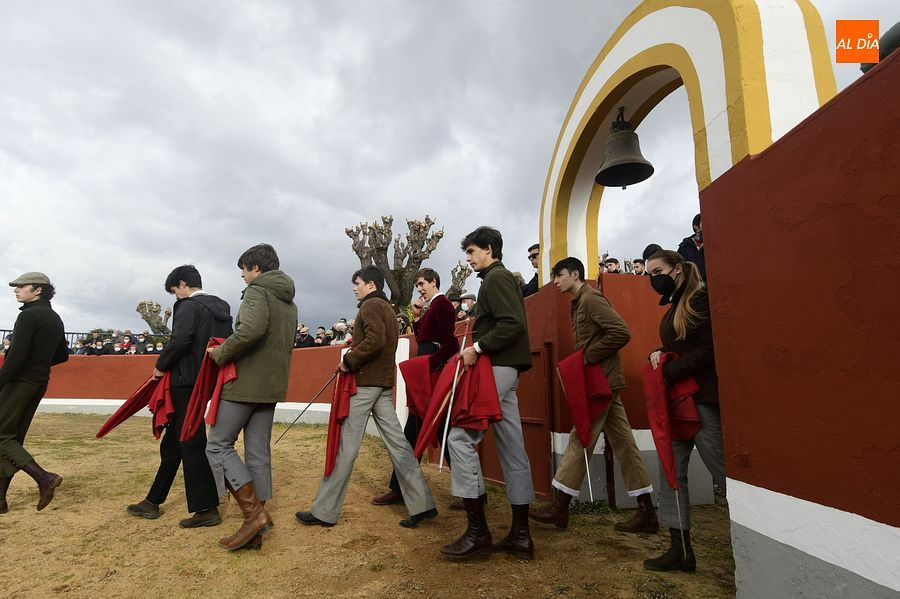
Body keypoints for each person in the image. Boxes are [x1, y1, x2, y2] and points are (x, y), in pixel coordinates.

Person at [297, 266, 437, 529]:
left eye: (357, 283)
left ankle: (324, 511)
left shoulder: (370, 306)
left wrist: (349, 359)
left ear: (371, 284)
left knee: (346, 448)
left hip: (365, 385)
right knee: (399, 446)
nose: (354, 287)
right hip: (383, 384)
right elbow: (381, 342)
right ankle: (423, 504)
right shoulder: (385, 308)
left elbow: (374, 341)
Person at [530, 257, 657, 533]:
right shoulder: (579, 302)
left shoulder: (591, 299)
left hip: (602, 380)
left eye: (559, 275)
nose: (555, 281)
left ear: (575, 274)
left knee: (581, 435)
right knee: (624, 442)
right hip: (604, 379)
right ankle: (647, 511)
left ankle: (560, 506)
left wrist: (586, 357)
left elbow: (621, 333)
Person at [442, 226, 535, 560]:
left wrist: (477, 347)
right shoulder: (498, 279)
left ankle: (478, 531)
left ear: (490, 249)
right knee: (512, 447)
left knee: (460, 438)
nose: (468, 258)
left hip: (496, 367)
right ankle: (521, 536)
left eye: (472, 251)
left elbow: (512, 324)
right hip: (508, 370)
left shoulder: (496, 279)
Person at [125, 265, 233, 529]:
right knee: (174, 443)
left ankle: (207, 508)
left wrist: (161, 365)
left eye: (175, 292)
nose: (175, 297)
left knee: (190, 441)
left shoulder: (187, 306)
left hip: (184, 381)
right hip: (207, 378)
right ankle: (152, 501)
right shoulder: (222, 306)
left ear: (183, 284)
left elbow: (181, 339)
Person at [204, 244, 297, 551]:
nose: (243, 276)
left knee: (217, 445)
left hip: (245, 382)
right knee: (258, 452)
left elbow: (250, 331)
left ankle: (254, 515)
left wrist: (220, 353)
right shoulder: (288, 300)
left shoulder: (258, 292)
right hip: (271, 384)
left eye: (244, 270)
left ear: (256, 268)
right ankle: (254, 528)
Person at [643, 250, 724, 573]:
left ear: (677, 269)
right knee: (671, 470)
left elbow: (709, 348)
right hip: (679, 400)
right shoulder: (678, 303)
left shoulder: (699, 299)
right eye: (649, 273)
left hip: (701, 398)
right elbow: (682, 346)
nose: (654, 279)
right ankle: (680, 549)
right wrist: (660, 353)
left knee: (721, 468)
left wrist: (669, 372)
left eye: (658, 271)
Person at [371, 267, 459, 507]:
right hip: (429, 372)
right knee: (424, 432)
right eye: (418, 285)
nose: (419, 289)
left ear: (434, 281)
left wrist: (427, 365)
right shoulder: (434, 306)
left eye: (422, 284)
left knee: (433, 431)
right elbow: (425, 340)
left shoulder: (442, 304)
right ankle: (400, 488)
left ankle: (472, 492)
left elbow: (451, 345)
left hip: (430, 374)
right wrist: (418, 319)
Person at [0, 272, 68, 513]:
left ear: (37, 290)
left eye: (21, 286)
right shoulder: (54, 317)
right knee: (12, 439)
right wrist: (39, 363)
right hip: (38, 383)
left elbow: (16, 356)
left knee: (2, 436)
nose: (16, 290)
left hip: (18, 382)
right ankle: (0, 500)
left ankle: (44, 478)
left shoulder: (28, 316)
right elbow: (63, 355)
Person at [677, 214, 706, 281]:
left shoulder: (714, 243)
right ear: (696, 226)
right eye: (703, 222)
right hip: (693, 284)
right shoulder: (684, 246)